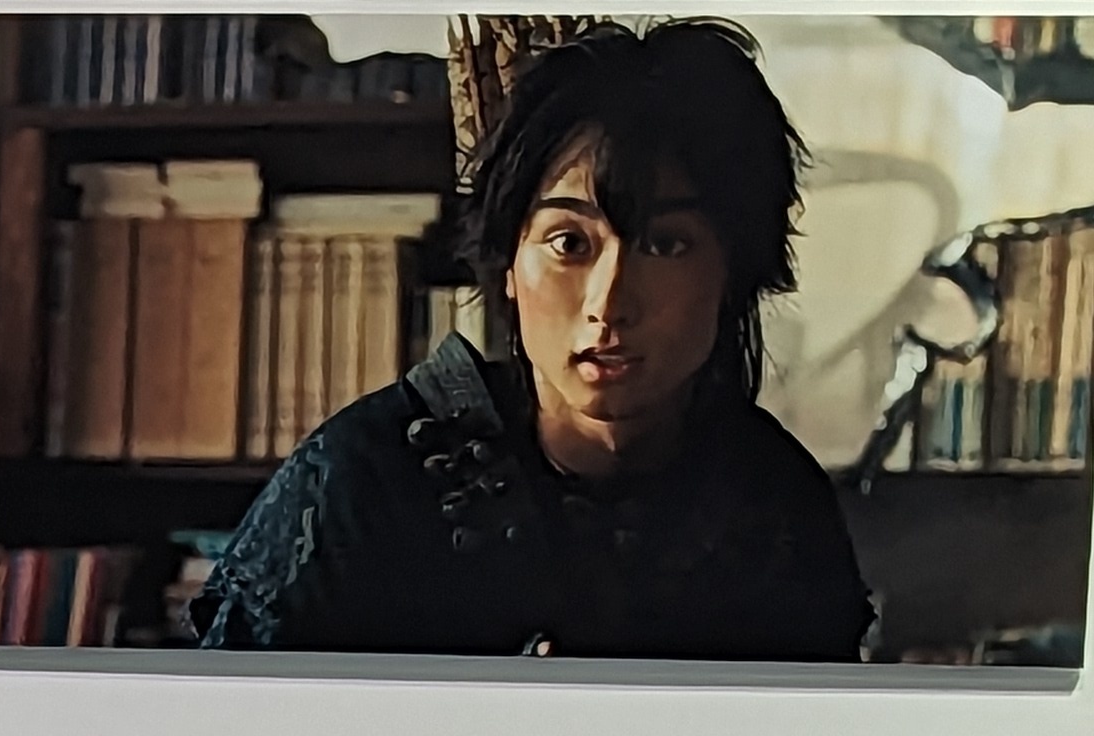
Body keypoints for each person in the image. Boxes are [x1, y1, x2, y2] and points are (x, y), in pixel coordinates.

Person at [199, 21, 870, 661]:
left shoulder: (775, 502)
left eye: (666, 245)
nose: (608, 303)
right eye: (569, 243)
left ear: (735, 272)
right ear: (509, 264)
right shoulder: (361, 482)